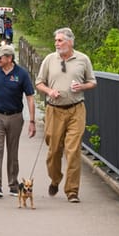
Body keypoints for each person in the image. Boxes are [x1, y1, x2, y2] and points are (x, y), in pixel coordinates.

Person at [35, 27, 97, 202]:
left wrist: (82, 86)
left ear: (70, 42)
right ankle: (55, 179)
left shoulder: (82, 59)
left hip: (76, 109)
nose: (57, 44)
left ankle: (72, 191)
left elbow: (92, 82)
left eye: (60, 40)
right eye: (56, 40)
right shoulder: (49, 59)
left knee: (73, 150)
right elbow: (39, 82)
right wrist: (49, 91)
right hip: (54, 110)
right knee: (54, 151)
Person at [0, 44, 36, 198]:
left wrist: (32, 121)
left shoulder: (21, 74)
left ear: (9, 58)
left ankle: (13, 184)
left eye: (0, 57)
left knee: (13, 150)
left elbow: (30, 98)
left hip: (15, 116)